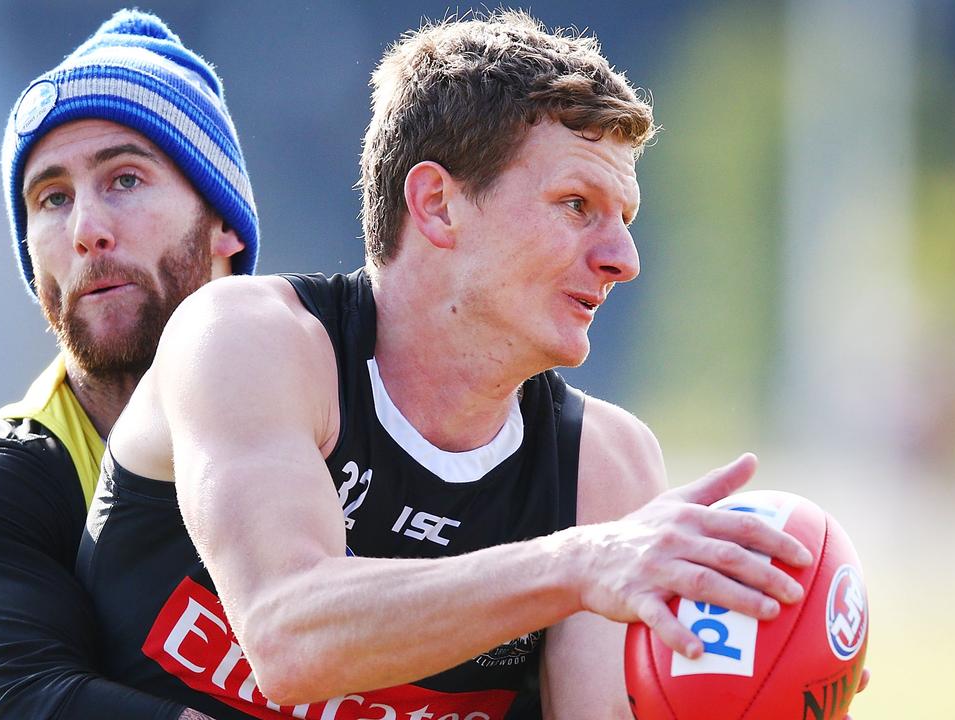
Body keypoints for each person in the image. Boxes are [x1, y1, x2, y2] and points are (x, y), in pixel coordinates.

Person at [76, 11, 842, 720]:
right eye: (576, 204)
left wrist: (757, 692)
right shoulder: (248, 338)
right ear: (437, 203)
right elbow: (288, 637)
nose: (623, 259)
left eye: (625, 220)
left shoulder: (603, 466)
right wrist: (576, 563)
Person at [0, 10, 256, 719]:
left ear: (223, 224)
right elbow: (31, 700)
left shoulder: (349, 430)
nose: (86, 228)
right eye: (52, 199)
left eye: (124, 180)